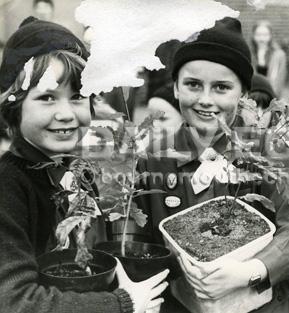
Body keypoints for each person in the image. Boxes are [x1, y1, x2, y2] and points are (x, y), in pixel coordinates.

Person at [135, 17, 289, 313]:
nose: (205, 100)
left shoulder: (268, 149)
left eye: (222, 87)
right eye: (193, 85)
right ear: (175, 88)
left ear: (244, 95)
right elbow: (143, 240)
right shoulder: (155, 157)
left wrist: (253, 270)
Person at [0, 17, 169, 313]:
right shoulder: (8, 188)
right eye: (47, 97)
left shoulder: (77, 171)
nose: (66, 113)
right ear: (13, 108)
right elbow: (14, 301)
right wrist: (120, 303)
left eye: (78, 96)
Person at [250, 20, 287, 96]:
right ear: (253, 36)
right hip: (252, 97)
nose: (261, 38)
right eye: (258, 35)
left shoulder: (279, 55)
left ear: (270, 36)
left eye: (265, 35)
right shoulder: (249, 54)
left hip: (272, 96)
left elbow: (279, 81)